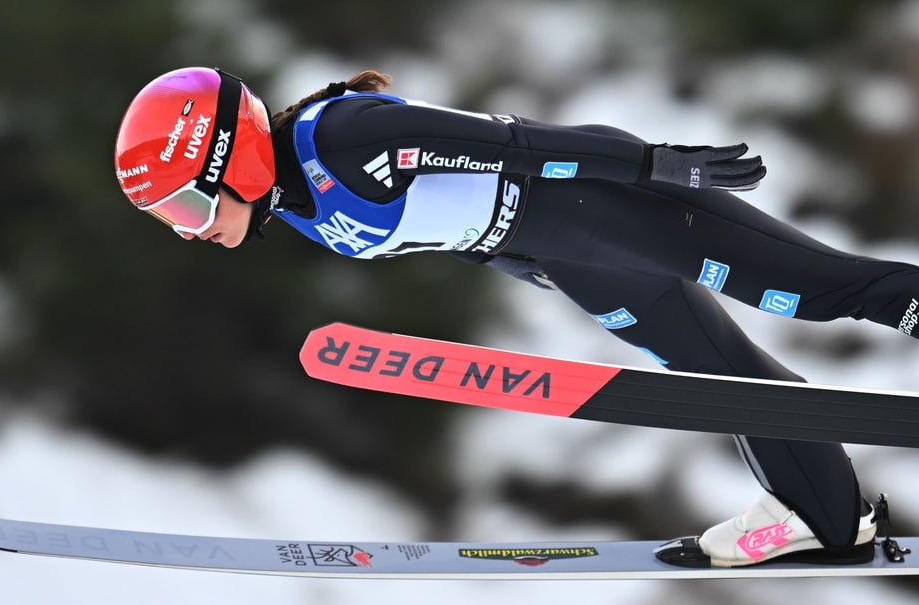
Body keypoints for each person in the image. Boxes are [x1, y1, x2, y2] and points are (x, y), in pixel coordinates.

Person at [114, 66, 919, 568]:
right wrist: (525, 263)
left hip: (612, 201)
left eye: (187, 203)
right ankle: (823, 512)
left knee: (822, 289)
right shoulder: (286, 203)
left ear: (228, 156)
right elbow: (446, 225)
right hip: (568, 251)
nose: (193, 230)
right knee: (717, 376)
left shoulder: (349, 140)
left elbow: (516, 145)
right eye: (170, 220)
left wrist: (650, 165)